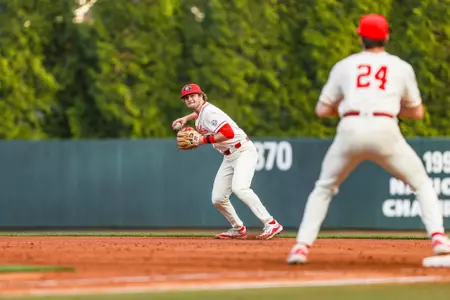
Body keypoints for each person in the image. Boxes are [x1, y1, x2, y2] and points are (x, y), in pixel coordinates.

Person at [287, 14, 450, 264]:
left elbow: (322, 110)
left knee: (324, 188)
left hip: (350, 127)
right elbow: (417, 112)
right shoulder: (401, 66)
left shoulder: (345, 65)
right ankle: (438, 238)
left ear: (360, 36)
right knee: (422, 184)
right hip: (385, 127)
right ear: (386, 37)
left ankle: (300, 247)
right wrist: (393, 105)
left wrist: (344, 106)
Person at [172, 83, 283, 240]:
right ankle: (238, 228)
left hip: (243, 150)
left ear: (201, 95)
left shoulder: (209, 112)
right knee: (218, 198)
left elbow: (228, 133)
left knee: (240, 188)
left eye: (193, 96)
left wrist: (202, 140)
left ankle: (271, 223)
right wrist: (185, 118)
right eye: (186, 97)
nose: (190, 99)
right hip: (229, 156)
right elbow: (199, 114)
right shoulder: (202, 112)